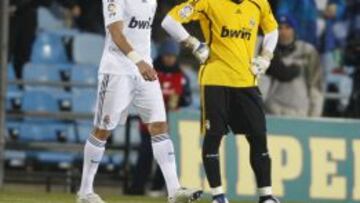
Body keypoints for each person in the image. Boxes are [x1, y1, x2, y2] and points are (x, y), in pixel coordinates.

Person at [76, 1, 202, 203]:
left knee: (159, 125)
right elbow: (116, 34)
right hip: (116, 70)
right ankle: (85, 191)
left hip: (144, 69)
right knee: (103, 129)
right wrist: (138, 61)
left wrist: (143, 62)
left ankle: (174, 190)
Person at [162, 0, 280, 203]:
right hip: (215, 80)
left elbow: (272, 29)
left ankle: (266, 196)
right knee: (213, 137)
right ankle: (218, 196)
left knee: (259, 137)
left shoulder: (259, 3)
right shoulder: (208, 1)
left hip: (246, 80)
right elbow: (169, 21)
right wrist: (193, 43)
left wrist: (266, 56)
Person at [128, 39, 192, 196]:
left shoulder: (181, 76)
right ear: (162, 55)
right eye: (167, 55)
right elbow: (140, 92)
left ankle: (158, 188)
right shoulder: (151, 71)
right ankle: (137, 188)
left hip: (170, 124)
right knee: (146, 155)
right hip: (149, 123)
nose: (169, 59)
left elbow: (188, 98)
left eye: (172, 56)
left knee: (166, 157)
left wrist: (181, 100)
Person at [264, 15, 324, 117]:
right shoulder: (267, 51)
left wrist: (315, 114)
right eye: (280, 28)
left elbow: (315, 84)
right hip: (271, 110)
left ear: (294, 30)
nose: (283, 32)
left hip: (299, 110)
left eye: (287, 27)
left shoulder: (307, 51)